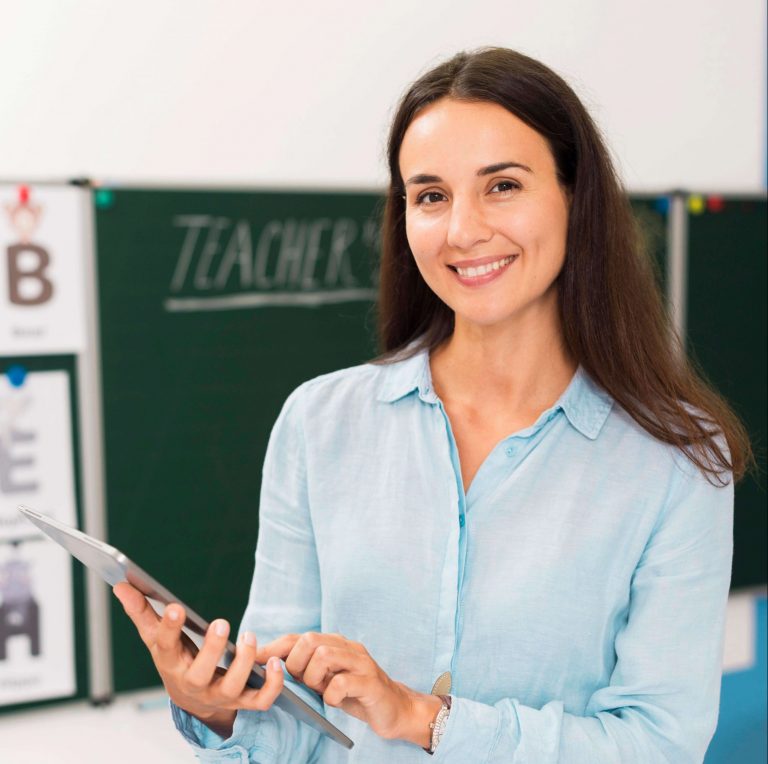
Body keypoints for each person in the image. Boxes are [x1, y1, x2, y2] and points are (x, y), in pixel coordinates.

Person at [114, 47, 752, 762]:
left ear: (576, 197)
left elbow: (660, 745)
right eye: (430, 195)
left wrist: (426, 718)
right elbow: (287, 722)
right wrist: (216, 710)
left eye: (502, 185)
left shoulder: (676, 459)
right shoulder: (319, 424)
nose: (463, 230)